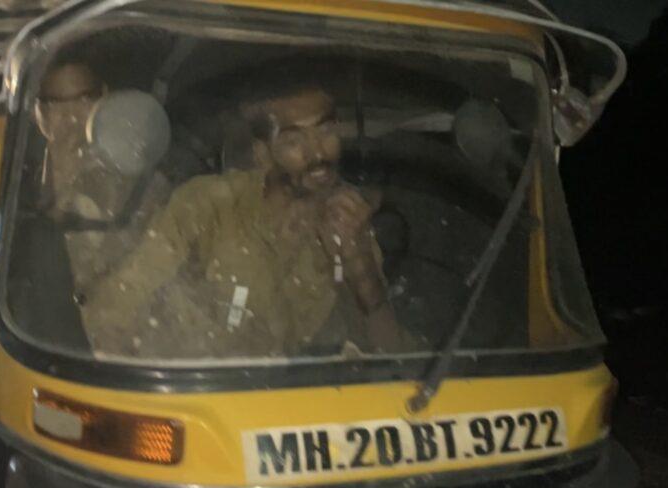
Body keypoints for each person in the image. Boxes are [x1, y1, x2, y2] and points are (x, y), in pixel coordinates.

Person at [80, 76, 407, 359]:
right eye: (294, 140)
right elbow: (116, 304)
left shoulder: (348, 223)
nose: (318, 153)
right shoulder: (209, 205)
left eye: (326, 131)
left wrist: (359, 263)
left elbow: (392, 359)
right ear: (261, 154)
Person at [33, 60, 170, 293]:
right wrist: (60, 184)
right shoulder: (12, 179)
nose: (71, 117)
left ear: (105, 98)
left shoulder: (138, 171)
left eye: (84, 100)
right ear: (39, 112)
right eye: (56, 103)